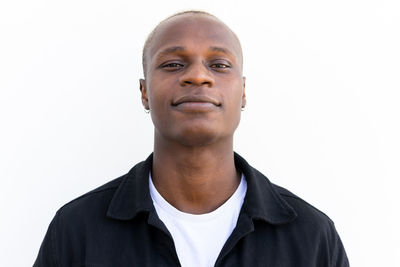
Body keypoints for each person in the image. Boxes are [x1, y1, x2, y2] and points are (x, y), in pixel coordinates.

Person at [34, 10, 349, 267]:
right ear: (144, 92)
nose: (198, 75)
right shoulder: (77, 230)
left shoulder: (311, 235)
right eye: (173, 64)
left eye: (219, 65)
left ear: (243, 91)